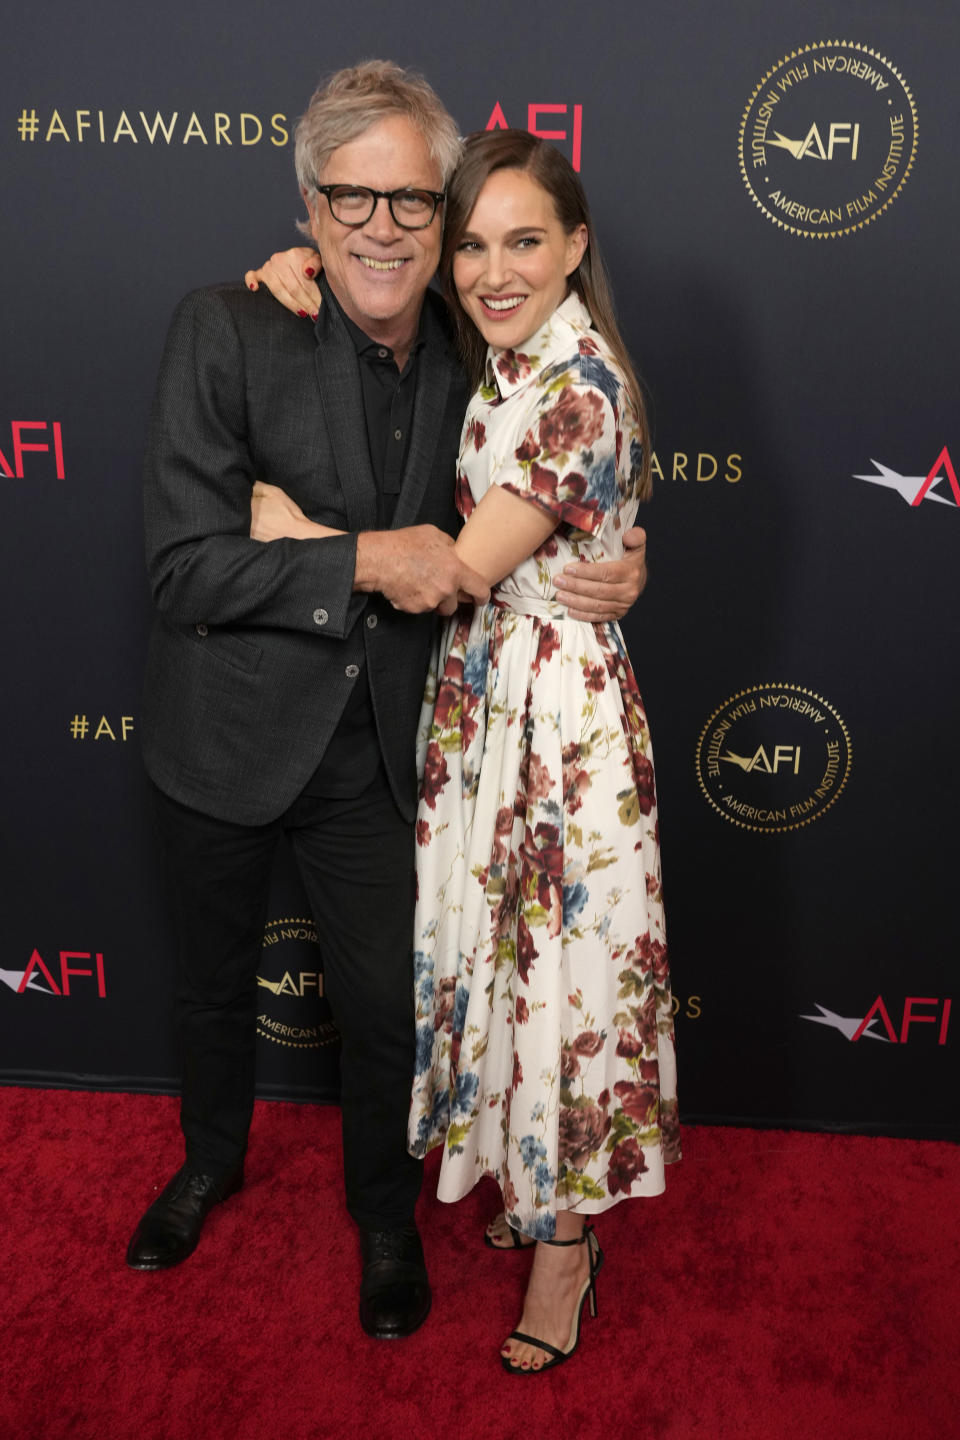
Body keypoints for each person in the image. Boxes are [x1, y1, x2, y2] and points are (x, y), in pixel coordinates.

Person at [129, 61, 647, 1345]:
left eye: (414, 203)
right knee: (207, 988)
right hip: (225, 737)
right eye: (349, 198)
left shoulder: (485, 348)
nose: (383, 227)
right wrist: (355, 554)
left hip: (389, 753)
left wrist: (625, 549)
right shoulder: (228, 322)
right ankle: (207, 1164)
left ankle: (382, 1215)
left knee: (384, 1010)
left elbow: (573, 453)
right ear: (308, 208)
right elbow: (182, 565)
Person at [249, 127, 679, 1374]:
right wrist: (298, 266)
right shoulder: (500, 359)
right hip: (490, 708)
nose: (492, 270)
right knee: (505, 974)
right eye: (476, 243)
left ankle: (567, 1251)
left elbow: (453, 576)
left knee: (565, 990)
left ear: (576, 247)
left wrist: (293, 529)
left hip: (556, 733)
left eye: (524, 242)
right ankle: (531, 1188)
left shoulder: (577, 383)